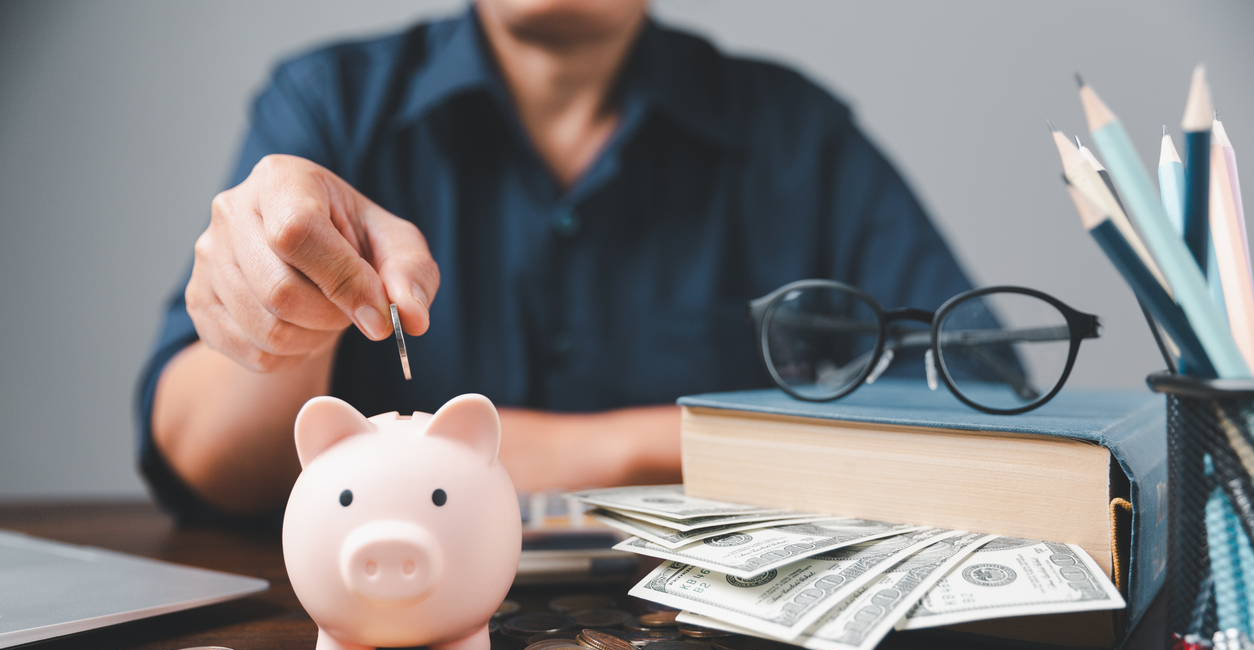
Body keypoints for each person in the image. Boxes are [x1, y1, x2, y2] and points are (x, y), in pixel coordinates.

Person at [138, 0, 975, 526]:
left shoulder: (801, 136)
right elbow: (214, 462)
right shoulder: (328, 105)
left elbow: (985, 405)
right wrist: (292, 291)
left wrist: (609, 450)